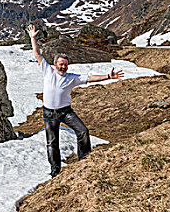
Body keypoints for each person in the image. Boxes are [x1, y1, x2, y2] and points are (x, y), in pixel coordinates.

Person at [27, 24, 124, 177]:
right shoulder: (48, 71)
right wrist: (33, 38)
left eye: (65, 64)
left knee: (83, 131)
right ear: (55, 64)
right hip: (49, 114)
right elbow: (37, 54)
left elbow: (90, 78)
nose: (64, 66)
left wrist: (108, 76)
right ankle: (55, 171)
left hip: (66, 112)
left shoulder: (72, 78)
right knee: (52, 143)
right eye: (61, 64)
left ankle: (84, 160)